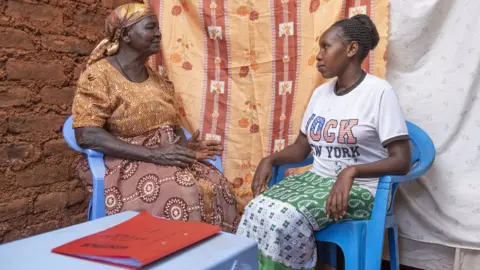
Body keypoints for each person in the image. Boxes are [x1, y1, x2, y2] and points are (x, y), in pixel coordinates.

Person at [236, 14, 412, 269]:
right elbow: (301, 148)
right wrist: (270, 159)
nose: (318, 55)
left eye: (326, 47)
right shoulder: (321, 94)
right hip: (317, 181)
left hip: (364, 191)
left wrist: (351, 172)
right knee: (256, 209)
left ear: (351, 49)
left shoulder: (378, 92)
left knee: (284, 217)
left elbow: (402, 160)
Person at [72, 1, 237, 232]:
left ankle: (213, 261)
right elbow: (86, 134)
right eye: (150, 27)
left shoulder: (159, 80)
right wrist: (153, 154)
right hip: (122, 161)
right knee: (183, 189)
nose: (159, 33)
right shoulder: (99, 76)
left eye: (158, 27)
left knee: (217, 184)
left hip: (162, 157)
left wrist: (187, 149)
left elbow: (170, 127)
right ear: (126, 34)